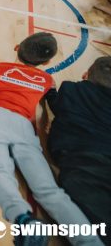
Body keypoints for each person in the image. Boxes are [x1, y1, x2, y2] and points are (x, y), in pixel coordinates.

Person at [0, 33, 103, 246]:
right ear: (46, 62)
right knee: (50, 190)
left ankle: (23, 219)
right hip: (24, 126)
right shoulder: (47, 80)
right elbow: (47, 108)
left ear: (17, 47)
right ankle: (90, 241)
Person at [46, 56, 111, 246]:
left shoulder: (71, 89)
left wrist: (51, 91)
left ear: (85, 75)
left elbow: (59, 105)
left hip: (84, 164)